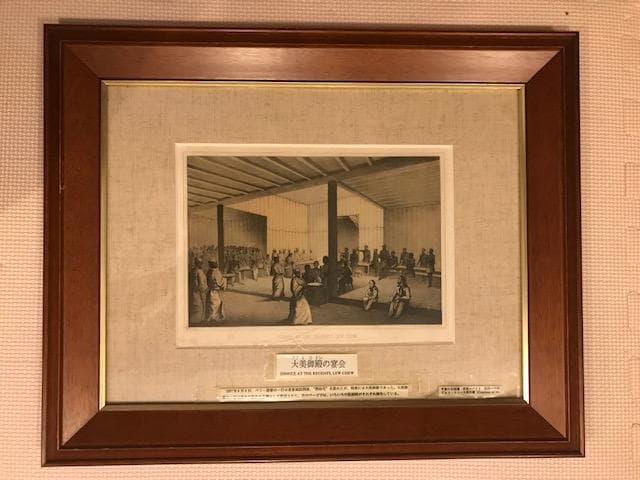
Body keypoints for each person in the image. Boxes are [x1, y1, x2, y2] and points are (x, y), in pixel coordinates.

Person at [189, 258, 207, 323]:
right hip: (198, 292)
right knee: (199, 306)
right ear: (199, 264)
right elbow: (201, 284)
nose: (202, 264)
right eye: (201, 263)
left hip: (192, 292)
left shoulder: (192, 271)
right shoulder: (200, 272)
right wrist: (205, 289)